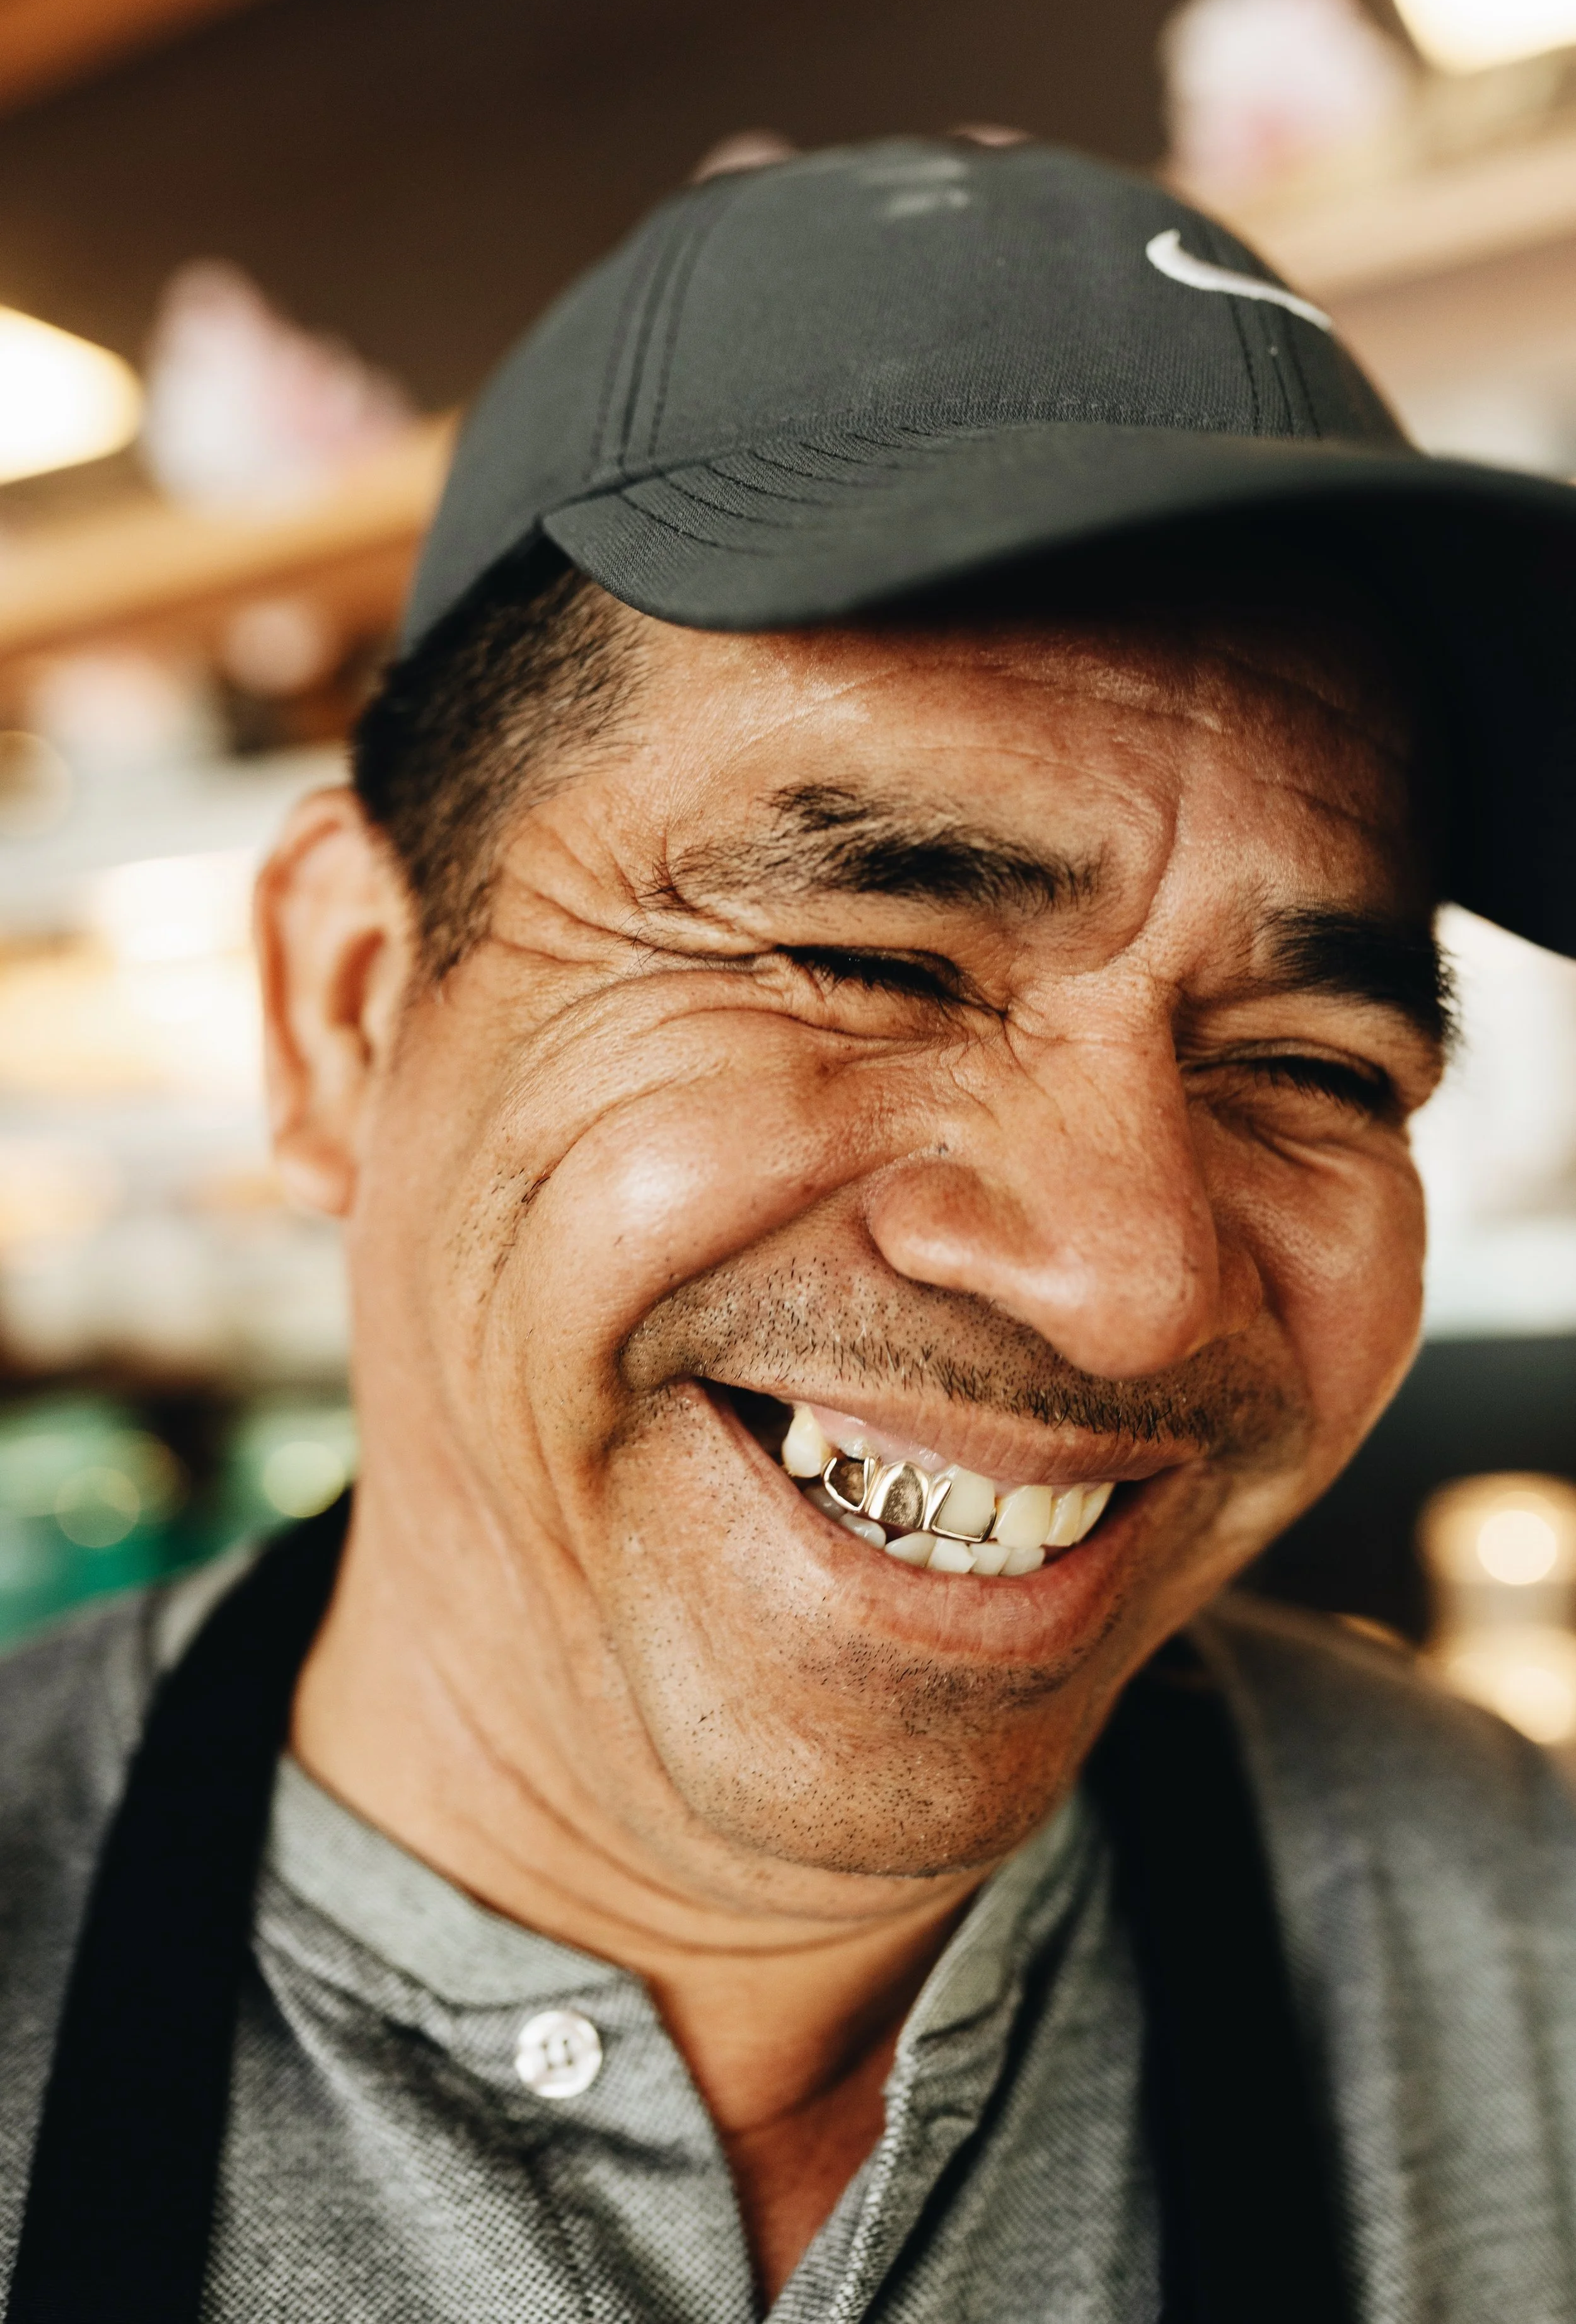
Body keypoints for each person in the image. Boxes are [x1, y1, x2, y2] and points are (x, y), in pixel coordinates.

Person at [4, 134, 1576, 2324]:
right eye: (871, 956)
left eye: (1311, 1066)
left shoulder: (1529, 1966)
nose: (1129, 1274)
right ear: (350, 1003)